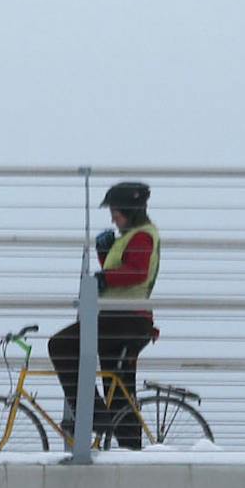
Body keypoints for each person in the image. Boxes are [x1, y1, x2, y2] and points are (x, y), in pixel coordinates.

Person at [48, 180, 160, 449]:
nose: (112, 217)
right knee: (120, 392)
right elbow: (122, 272)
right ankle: (131, 452)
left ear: (130, 210)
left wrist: (103, 278)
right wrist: (105, 254)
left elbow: (136, 273)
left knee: (61, 345)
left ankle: (93, 416)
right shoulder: (130, 238)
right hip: (124, 319)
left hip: (126, 320)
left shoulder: (142, 235)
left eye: (116, 211)